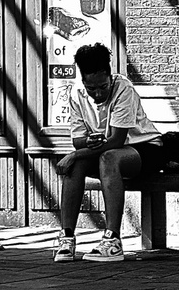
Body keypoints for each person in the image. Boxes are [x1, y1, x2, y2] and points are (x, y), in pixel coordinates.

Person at [54, 42, 165, 263]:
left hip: (145, 148)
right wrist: (86, 143)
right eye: (91, 88)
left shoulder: (123, 88)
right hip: (106, 150)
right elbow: (78, 141)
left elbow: (117, 139)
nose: (97, 94)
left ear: (110, 75)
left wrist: (78, 153)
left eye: (102, 87)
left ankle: (113, 240)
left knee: (107, 157)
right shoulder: (76, 96)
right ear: (82, 80)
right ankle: (67, 237)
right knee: (76, 166)